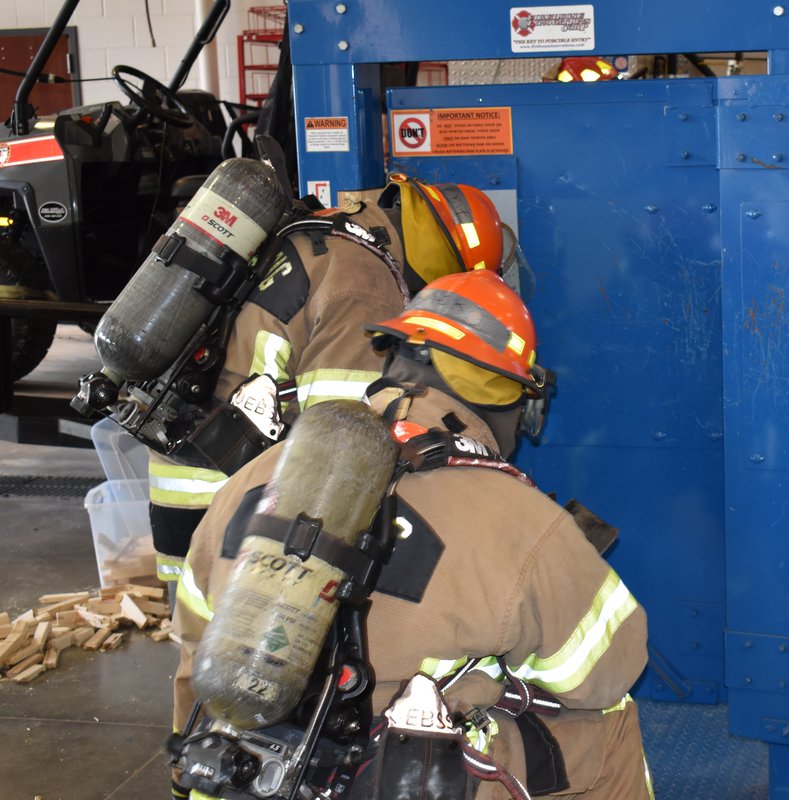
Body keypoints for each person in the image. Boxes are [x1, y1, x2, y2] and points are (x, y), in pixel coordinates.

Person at [172, 269, 654, 799]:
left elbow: (194, 643)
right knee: (607, 721)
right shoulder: (519, 519)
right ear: (504, 393)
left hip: (238, 774)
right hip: (386, 779)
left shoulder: (256, 477)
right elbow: (608, 669)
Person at [148, 174, 506, 588]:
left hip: (186, 474)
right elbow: (339, 436)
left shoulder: (329, 233)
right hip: (231, 508)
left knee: (194, 634)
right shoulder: (368, 285)